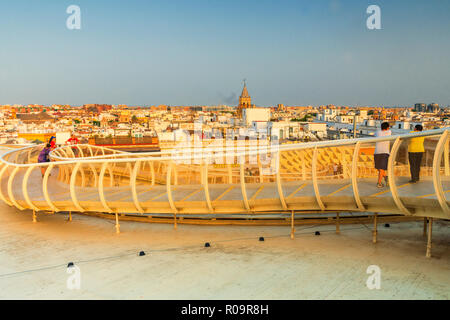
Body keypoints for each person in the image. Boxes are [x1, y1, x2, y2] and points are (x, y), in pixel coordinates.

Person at [374, 122, 391, 188]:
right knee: (379, 168)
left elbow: (374, 135)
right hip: (384, 152)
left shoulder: (378, 132)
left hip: (378, 152)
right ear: (387, 127)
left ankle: (379, 183)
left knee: (380, 168)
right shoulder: (389, 132)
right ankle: (386, 177)